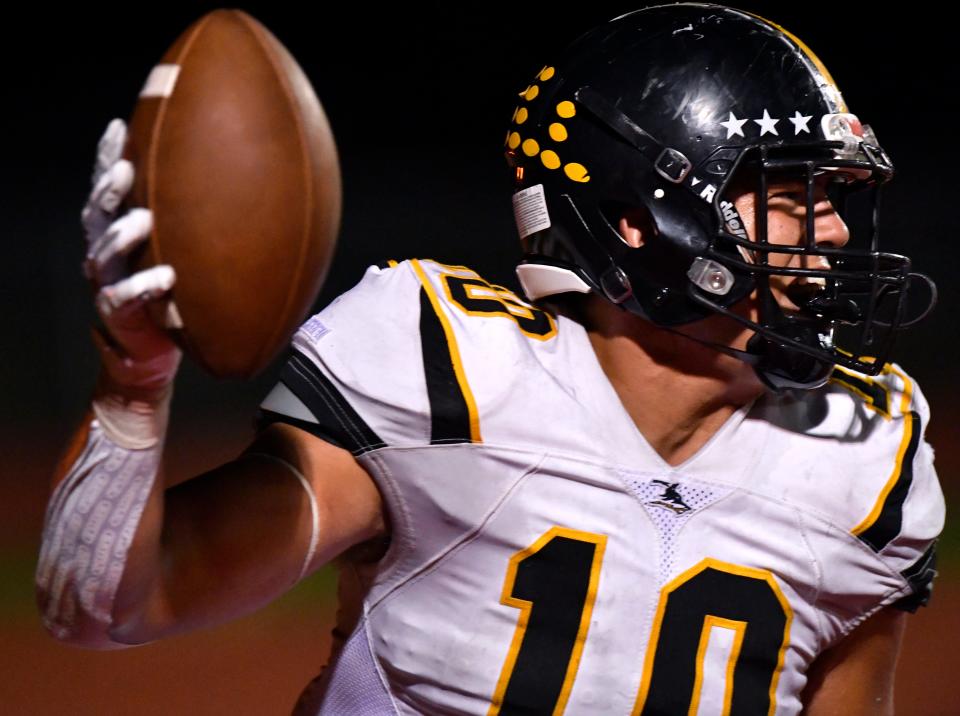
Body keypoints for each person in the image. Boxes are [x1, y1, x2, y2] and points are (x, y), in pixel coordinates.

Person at [37, 4, 943, 715]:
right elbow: (108, 606)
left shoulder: (860, 456)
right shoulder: (452, 373)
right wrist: (136, 379)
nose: (832, 232)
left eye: (838, 198)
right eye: (791, 195)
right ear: (642, 223)